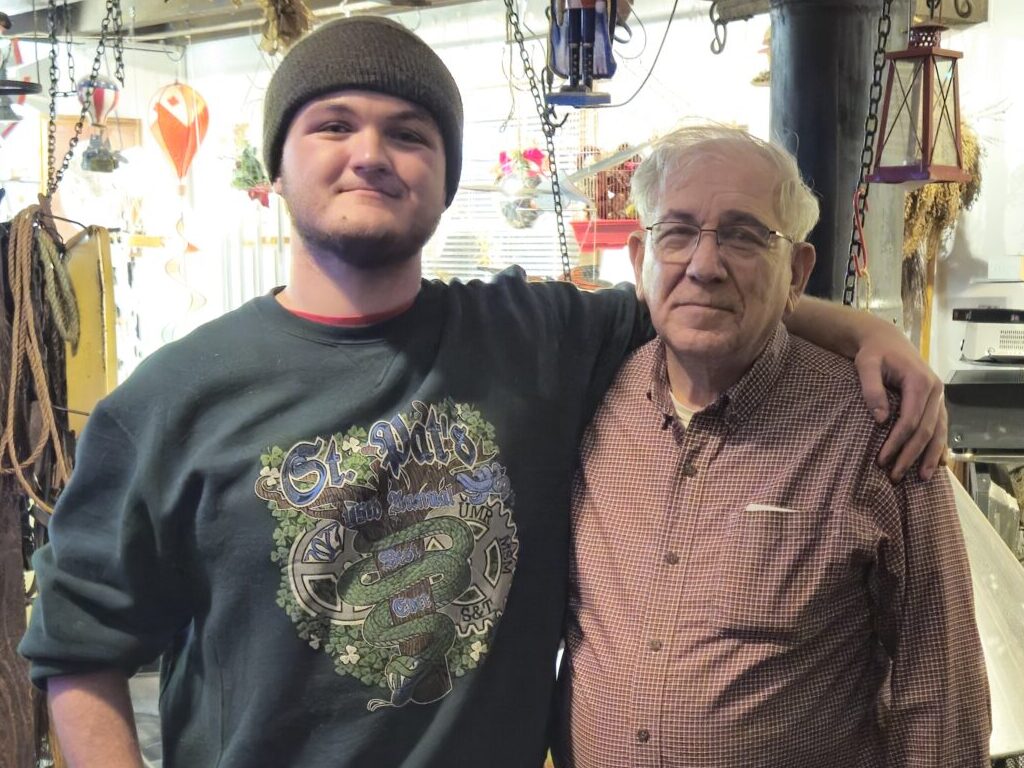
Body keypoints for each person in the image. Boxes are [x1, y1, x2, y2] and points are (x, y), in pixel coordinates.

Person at [21, 17, 946, 768]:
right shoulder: (171, 400)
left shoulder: (537, 337)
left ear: (447, 175)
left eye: (409, 133)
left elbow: (707, 300)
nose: (371, 153)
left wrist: (867, 331)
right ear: (278, 165)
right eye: (333, 124)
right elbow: (77, 650)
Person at [557, 126, 990, 768]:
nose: (704, 266)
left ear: (798, 271)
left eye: (743, 235)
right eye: (677, 232)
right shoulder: (591, 395)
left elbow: (939, 689)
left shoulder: (878, 427)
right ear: (638, 261)